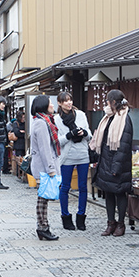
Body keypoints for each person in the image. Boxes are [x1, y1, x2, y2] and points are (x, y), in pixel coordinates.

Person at [89, 89, 133, 237]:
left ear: (114, 102)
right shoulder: (108, 117)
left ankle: (121, 224)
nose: (106, 103)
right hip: (105, 161)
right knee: (108, 193)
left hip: (118, 163)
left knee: (120, 193)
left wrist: (116, 166)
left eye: (108, 101)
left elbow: (124, 146)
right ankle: (110, 223)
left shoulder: (125, 119)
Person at [55, 92, 91, 231]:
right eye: (65, 101)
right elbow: (58, 141)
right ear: (60, 103)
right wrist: (69, 135)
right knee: (65, 187)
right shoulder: (56, 119)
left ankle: (81, 217)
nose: (69, 103)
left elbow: (89, 134)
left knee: (83, 187)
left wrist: (84, 133)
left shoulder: (81, 114)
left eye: (70, 100)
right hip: (67, 156)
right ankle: (65, 217)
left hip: (82, 154)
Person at [30, 95, 60, 241]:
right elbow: (45, 148)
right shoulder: (42, 123)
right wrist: (51, 169)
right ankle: (43, 227)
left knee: (44, 197)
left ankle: (43, 227)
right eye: (50, 103)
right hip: (44, 168)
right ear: (44, 106)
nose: (53, 106)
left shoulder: (42, 121)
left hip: (43, 167)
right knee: (43, 198)